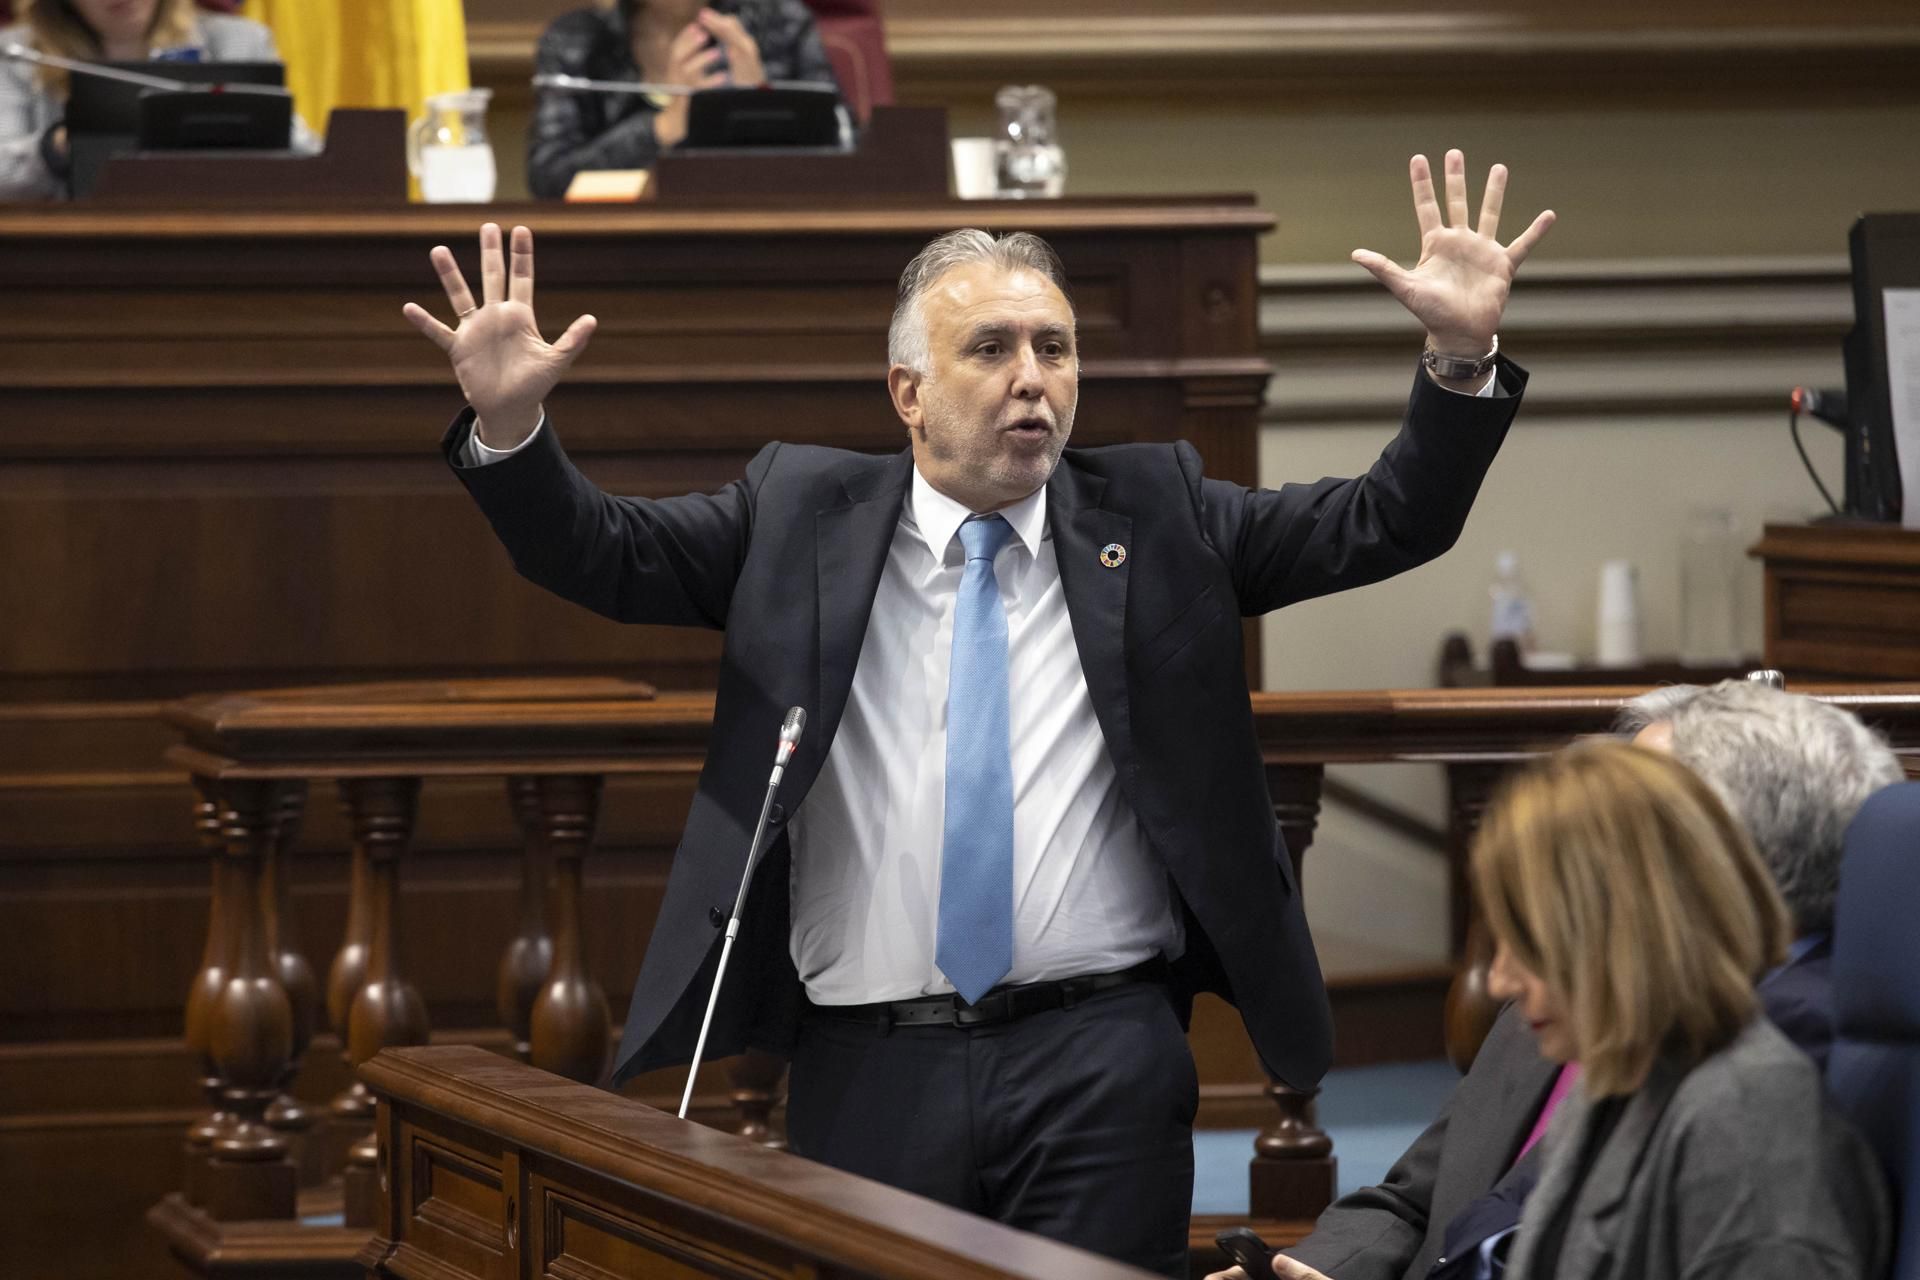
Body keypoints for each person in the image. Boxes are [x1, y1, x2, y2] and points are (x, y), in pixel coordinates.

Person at [406, 151, 1554, 1275]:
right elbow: (599, 553)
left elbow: (1386, 518)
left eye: (1055, 348)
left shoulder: (1159, 512)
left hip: (1097, 1050)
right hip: (868, 1059)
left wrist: (1459, 356)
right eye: (992, 347)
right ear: (907, 389)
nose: (1033, 378)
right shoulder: (797, 513)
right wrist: (513, 432)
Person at [1225, 683, 1902, 1280]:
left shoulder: (1751, 1122)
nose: (1497, 980)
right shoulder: (1634, 1062)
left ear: (1694, 879)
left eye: (1538, 927)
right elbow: (1422, 1201)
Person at [0, 0, 317, 201]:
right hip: (69, 254)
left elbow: (308, 154)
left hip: (218, 239)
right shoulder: (17, 53)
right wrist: (53, 147)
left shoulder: (237, 42)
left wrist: (256, 125)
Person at [527, 0, 840, 199]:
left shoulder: (782, 25)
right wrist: (663, 127)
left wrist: (762, 110)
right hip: (623, 252)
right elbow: (550, 180)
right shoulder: (575, 40)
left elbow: (845, 157)